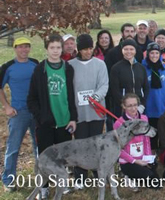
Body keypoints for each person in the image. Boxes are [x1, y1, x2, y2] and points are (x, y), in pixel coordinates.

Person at [27, 34, 78, 198]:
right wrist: (41, 117)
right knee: (45, 157)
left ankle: (62, 185)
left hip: (64, 120)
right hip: (46, 123)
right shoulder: (40, 68)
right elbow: (32, 98)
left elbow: (71, 94)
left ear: (62, 48)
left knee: (63, 157)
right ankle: (43, 187)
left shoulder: (67, 67)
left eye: (58, 47)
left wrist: (73, 118)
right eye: (52, 47)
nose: (55, 51)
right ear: (46, 49)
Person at [69, 34, 109, 189]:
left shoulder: (100, 64)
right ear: (79, 49)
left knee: (97, 144)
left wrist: (96, 97)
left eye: (90, 48)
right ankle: (80, 177)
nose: (87, 52)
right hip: (79, 113)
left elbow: (104, 84)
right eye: (84, 49)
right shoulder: (70, 65)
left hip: (96, 111)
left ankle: (99, 174)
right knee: (81, 144)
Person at [0, 37, 39, 192]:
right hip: (18, 112)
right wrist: (6, 106)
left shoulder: (35, 63)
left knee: (39, 147)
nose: (24, 50)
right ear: (15, 48)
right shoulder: (8, 67)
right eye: (20, 47)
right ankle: (8, 179)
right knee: (13, 147)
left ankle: (41, 180)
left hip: (36, 112)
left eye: (26, 47)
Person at [114, 93, 160, 191]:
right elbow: (118, 149)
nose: (133, 108)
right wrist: (135, 161)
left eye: (135, 105)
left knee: (157, 183)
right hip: (128, 161)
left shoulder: (144, 118)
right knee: (152, 180)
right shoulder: (119, 123)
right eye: (129, 106)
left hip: (142, 158)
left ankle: (135, 178)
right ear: (124, 106)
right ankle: (128, 176)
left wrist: (147, 158)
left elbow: (146, 140)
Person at [104, 23, 143, 131]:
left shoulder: (138, 51)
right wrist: (122, 103)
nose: (129, 34)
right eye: (127, 31)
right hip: (120, 102)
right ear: (122, 33)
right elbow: (111, 82)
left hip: (137, 101)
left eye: (132, 31)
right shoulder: (112, 53)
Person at [141, 42, 165, 150]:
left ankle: (164, 152)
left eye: (156, 53)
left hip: (163, 105)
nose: (154, 55)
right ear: (147, 54)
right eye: (152, 53)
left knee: (163, 131)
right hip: (150, 106)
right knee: (152, 132)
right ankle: (152, 151)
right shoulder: (142, 68)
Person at [109, 39, 149, 118]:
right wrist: (125, 105)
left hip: (139, 107)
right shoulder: (116, 68)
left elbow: (146, 88)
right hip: (123, 108)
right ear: (122, 50)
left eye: (131, 49)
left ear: (135, 50)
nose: (129, 52)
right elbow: (115, 90)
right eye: (126, 49)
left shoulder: (141, 68)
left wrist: (142, 105)